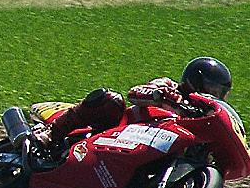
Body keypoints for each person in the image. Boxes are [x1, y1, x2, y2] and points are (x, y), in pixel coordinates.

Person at [32, 57, 232, 159]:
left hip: (149, 152)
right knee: (112, 100)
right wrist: (165, 98)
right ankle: (52, 133)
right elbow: (135, 93)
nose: (213, 96)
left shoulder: (202, 116)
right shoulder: (169, 87)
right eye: (211, 89)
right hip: (117, 133)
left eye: (219, 93)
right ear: (195, 80)